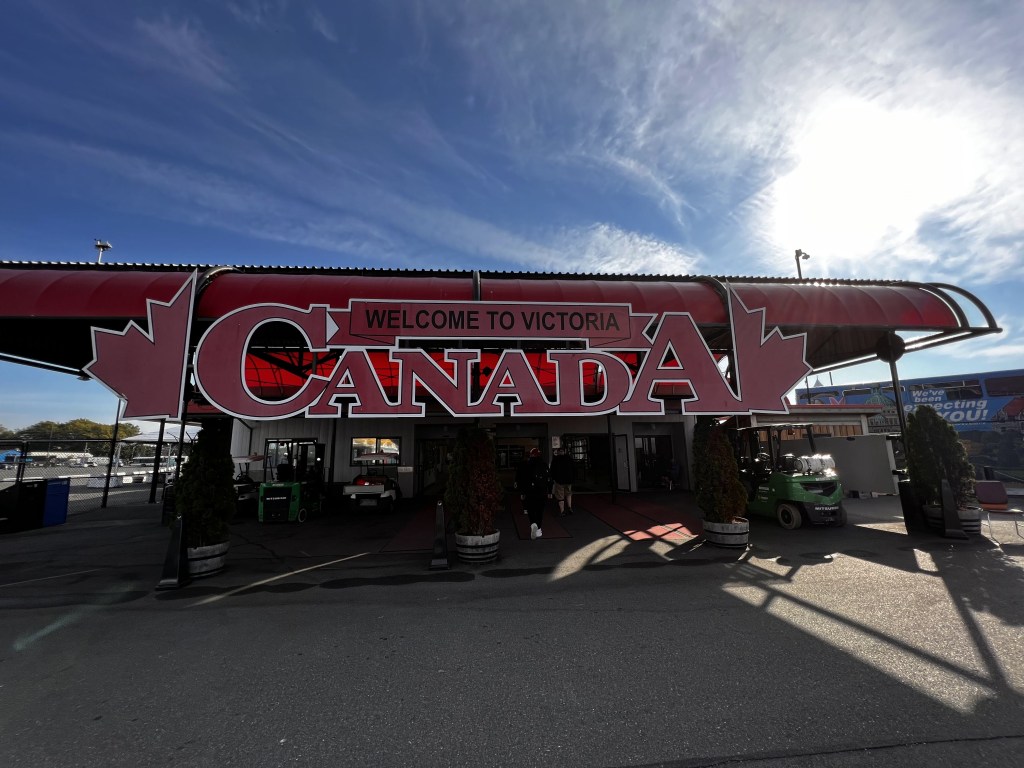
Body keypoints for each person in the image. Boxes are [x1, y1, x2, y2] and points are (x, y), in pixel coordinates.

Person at [518, 447, 550, 539]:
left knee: (531, 509)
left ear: (531, 455)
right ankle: (538, 529)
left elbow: (523, 479)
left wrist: (522, 492)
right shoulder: (544, 465)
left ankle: (533, 524)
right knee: (540, 511)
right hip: (542, 492)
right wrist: (549, 491)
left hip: (530, 492)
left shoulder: (526, 465)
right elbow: (548, 478)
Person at [549, 447, 575, 516]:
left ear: (558, 452)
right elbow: (574, 469)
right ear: (565, 451)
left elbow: (552, 470)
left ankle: (562, 511)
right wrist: (573, 478)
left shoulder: (556, 459)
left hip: (559, 481)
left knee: (560, 496)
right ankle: (569, 507)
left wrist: (553, 478)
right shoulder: (569, 459)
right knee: (568, 493)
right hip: (569, 480)